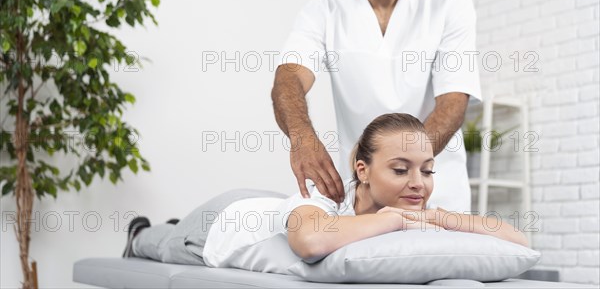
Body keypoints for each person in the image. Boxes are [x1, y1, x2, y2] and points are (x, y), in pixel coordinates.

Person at [271, 0, 482, 213]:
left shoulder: (448, 2)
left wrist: (400, 171)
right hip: (359, 197)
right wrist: (302, 137)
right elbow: (289, 77)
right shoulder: (325, 7)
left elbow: (453, 102)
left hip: (433, 194)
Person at [122, 114, 528, 272]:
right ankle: (141, 231)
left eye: (427, 170)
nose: (418, 183)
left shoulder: (414, 206)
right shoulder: (323, 200)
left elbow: (519, 241)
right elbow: (312, 241)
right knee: (157, 243)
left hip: (272, 209)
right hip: (223, 221)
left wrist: (439, 216)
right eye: (401, 169)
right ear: (362, 171)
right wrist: (396, 218)